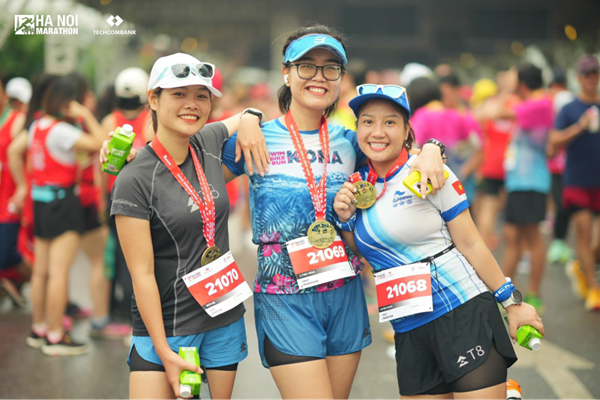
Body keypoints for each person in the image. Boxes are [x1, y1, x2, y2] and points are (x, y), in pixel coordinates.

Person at [222, 24, 445, 400]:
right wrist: (244, 117)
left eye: (331, 68)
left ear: (341, 77)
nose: (319, 76)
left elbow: (404, 158)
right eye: (307, 66)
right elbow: (190, 173)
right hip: (283, 295)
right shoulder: (255, 137)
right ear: (286, 73)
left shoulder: (351, 142)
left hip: (345, 292)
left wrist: (434, 147)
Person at [333, 84, 543, 399]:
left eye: (390, 122)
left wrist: (512, 303)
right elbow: (365, 256)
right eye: (368, 121)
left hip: (461, 312)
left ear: (407, 130)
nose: (377, 131)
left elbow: (471, 243)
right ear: (357, 128)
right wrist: (344, 218)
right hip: (407, 328)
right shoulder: (355, 186)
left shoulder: (427, 171)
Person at [109, 53, 267, 400]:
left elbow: (248, 114)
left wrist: (251, 118)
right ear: (153, 99)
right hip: (167, 324)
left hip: (222, 314)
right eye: (179, 94)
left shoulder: (207, 142)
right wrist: (163, 350)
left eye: (201, 96)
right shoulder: (134, 178)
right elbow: (141, 275)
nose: (192, 104)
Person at [25, 74, 108, 355]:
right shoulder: (61, 131)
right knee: (59, 272)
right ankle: (55, 336)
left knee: (41, 271)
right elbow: (101, 142)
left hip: (41, 201)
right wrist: (85, 114)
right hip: (63, 203)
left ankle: (39, 329)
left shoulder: (37, 126)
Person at [494, 64, 553, 313]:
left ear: (521, 83)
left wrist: (507, 88)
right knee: (513, 236)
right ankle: (504, 295)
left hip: (531, 182)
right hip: (521, 182)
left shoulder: (539, 103)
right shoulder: (535, 103)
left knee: (531, 237)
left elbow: (497, 112)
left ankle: (534, 294)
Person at [549, 54, 600, 310]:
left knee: (596, 242)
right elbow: (553, 143)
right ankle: (593, 289)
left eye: (595, 74)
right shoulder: (569, 109)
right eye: (587, 75)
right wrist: (580, 127)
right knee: (583, 233)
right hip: (577, 181)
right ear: (579, 79)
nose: (591, 79)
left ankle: (581, 266)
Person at [0, 73, 27, 306]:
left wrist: (23, 187)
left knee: (5, 253)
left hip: (10, 197)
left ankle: (33, 276)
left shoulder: (17, 121)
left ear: (5, 95)